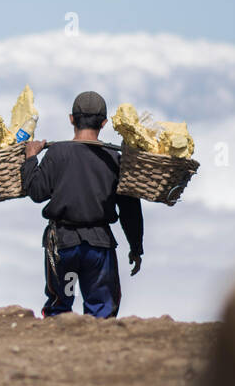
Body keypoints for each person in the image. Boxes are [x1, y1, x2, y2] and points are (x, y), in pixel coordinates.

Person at [20, 91, 144, 318]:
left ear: (71, 119)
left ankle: (58, 349)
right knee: (102, 310)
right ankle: (98, 351)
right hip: (99, 247)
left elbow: (37, 192)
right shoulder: (114, 158)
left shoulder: (57, 153)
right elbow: (130, 209)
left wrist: (30, 159)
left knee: (60, 305)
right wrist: (136, 247)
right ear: (104, 123)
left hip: (63, 246)